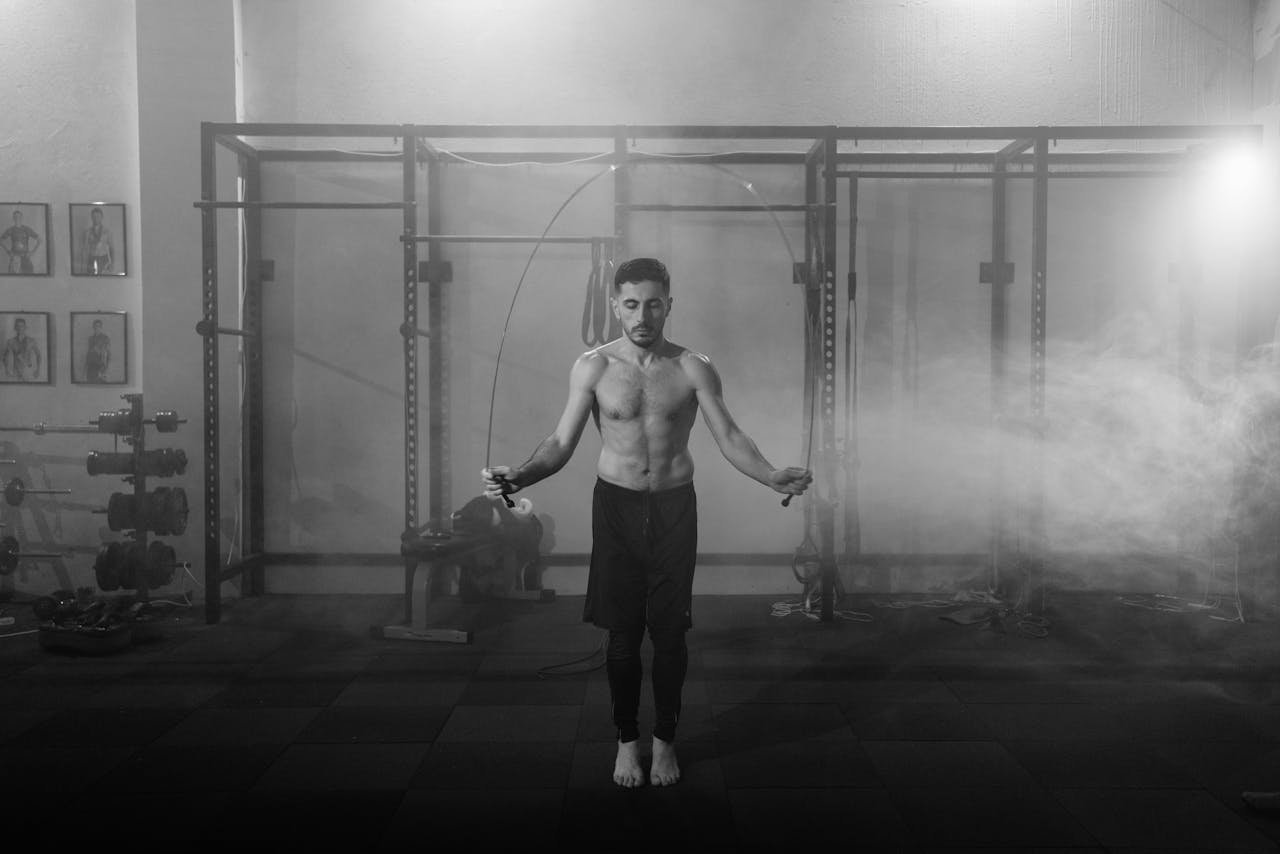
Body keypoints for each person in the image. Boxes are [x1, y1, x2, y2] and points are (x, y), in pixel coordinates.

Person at [482, 257, 812, 788]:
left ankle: (664, 743)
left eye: (653, 304)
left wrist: (771, 475)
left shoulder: (692, 367)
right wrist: (519, 476)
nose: (642, 315)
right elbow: (562, 442)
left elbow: (729, 436)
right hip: (616, 507)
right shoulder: (592, 367)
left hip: (674, 509)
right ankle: (625, 742)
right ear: (615, 305)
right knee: (622, 637)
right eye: (632, 304)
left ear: (668, 305)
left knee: (671, 634)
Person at [0, 209, 40, 274]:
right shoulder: (11, 230)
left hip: (26, 257)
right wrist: (8, 251)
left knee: (29, 277)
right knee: (13, 278)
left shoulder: (26, 229)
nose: (17, 218)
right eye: (15, 217)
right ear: (13, 218)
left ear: (21, 218)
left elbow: (39, 240)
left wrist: (32, 252)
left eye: (19, 217)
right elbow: (1, 240)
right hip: (15, 257)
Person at [81, 207, 114, 275]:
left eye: (98, 216)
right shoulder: (88, 232)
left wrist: (112, 263)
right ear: (91, 217)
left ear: (102, 217)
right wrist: (83, 264)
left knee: (105, 281)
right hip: (92, 259)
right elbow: (85, 249)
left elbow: (111, 248)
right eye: (94, 216)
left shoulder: (107, 232)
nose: (96, 218)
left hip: (103, 259)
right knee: (90, 281)